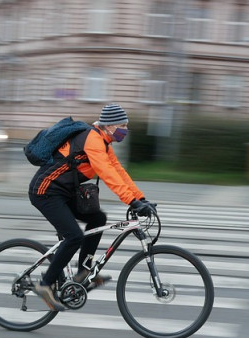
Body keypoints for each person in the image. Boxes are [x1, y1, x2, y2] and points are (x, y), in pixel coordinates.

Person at [28, 103, 156, 311]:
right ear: (109, 126)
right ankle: (45, 285)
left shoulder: (105, 144)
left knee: (97, 219)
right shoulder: (93, 140)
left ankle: (83, 272)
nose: (125, 129)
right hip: (45, 191)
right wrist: (131, 202)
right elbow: (106, 173)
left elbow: (118, 172)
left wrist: (141, 198)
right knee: (74, 237)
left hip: (63, 192)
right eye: (122, 125)